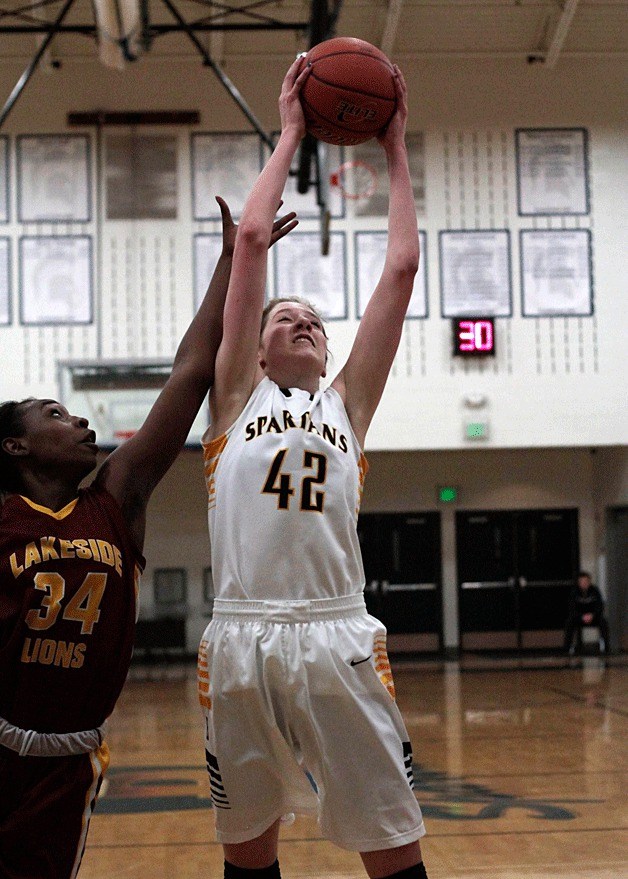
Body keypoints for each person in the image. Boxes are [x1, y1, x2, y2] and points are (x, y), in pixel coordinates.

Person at [0, 197, 297, 879]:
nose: (78, 420)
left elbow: (192, 371)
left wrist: (234, 260)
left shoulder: (116, 500)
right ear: (15, 444)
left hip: (66, 762)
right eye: (54, 414)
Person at [198, 59, 429, 879]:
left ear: (327, 351)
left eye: (314, 320)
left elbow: (399, 272)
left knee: (394, 845)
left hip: (338, 634)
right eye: (283, 317)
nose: (301, 321)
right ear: (253, 348)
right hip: (239, 634)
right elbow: (252, 238)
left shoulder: (347, 408)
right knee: (249, 850)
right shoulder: (232, 401)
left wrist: (395, 146)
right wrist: (291, 127)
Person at [564, 571, 610, 656]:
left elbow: (600, 606)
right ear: (578, 582)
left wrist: (592, 615)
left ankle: (606, 648)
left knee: (603, 622)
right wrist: (581, 616)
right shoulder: (574, 592)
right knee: (569, 622)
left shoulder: (595, 591)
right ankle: (567, 648)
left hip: (594, 617)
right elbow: (572, 608)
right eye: (582, 581)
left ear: (589, 582)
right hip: (579, 618)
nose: (584, 583)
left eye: (586, 581)